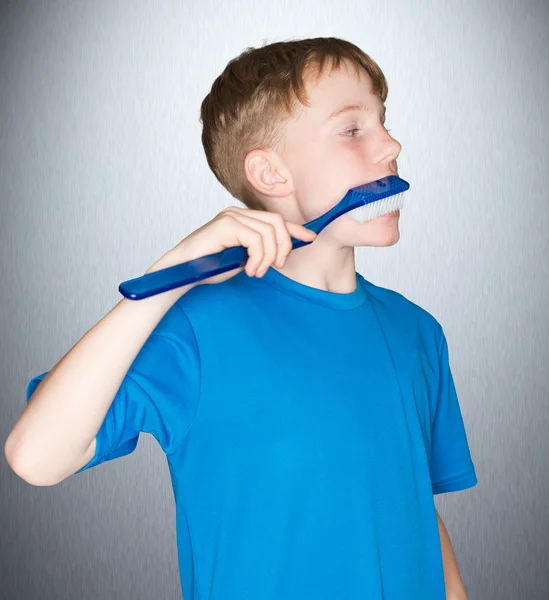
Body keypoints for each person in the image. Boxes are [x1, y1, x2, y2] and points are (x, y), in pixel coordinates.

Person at [6, 37, 478, 600]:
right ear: (271, 174)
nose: (392, 144)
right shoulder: (197, 329)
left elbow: (413, 506)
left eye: (384, 121)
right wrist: (169, 276)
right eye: (353, 130)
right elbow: (35, 458)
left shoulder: (417, 332)